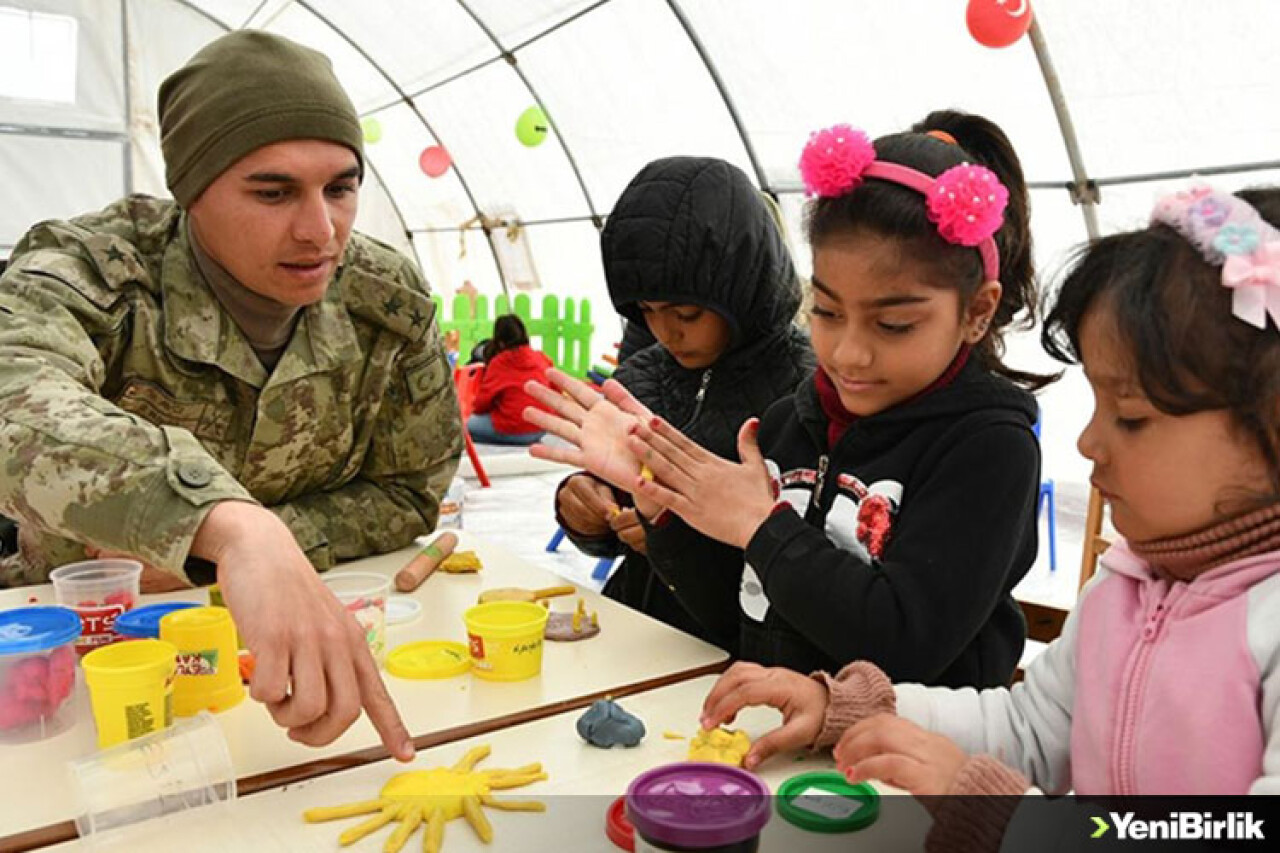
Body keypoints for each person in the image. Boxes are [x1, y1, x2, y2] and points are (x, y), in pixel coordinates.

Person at [697, 184, 1280, 848]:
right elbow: (1030, 728)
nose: (1088, 442)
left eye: (1132, 416)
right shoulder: (1125, 586)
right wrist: (854, 707)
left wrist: (1009, 816)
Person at [0, 31, 465, 758]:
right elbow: (12, 401)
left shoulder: (385, 298)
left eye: (340, 187)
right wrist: (226, 531)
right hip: (79, 680)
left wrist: (264, 545)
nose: (321, 231)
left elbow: (410, 492)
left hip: (286, 694)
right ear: (190, 189)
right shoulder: (96, 270)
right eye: (273, 192)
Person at [530, 112, 1050, 685]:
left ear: (976, 311)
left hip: (894, 767)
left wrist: (762, 525)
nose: (849, 353)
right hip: (768, 749)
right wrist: (662, 507)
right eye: (826, 312)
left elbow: (905, 644)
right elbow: (737, 616)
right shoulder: (787, 425)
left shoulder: (989, 448)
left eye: (894, 324)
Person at [548, 156, 815, 648]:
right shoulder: (642, 377)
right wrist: (585, 505)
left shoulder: (804, 394)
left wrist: (667, 536)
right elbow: (616, 502)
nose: (666, 331)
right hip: (643, 637)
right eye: (646, 312)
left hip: (744, 658)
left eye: (686, 312)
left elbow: (803, 573)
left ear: (744, 286)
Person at [466, 314, 552, 446]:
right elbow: (555, 390)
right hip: (542, 428)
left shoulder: (499, 363)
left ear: (499, 341)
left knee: (464, 424)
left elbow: (481, 404)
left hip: (513, 429)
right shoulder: (541, 358)